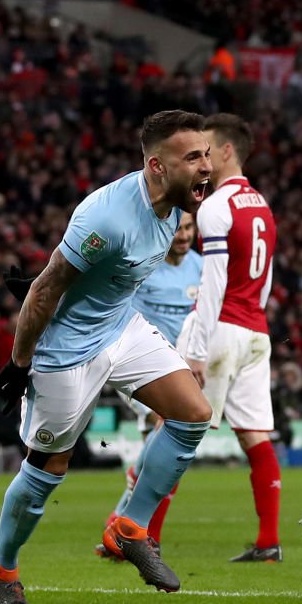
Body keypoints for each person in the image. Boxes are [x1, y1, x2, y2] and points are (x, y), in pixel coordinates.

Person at [0, 110, 214, 604]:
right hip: (65, 349)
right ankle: (1, 569)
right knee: (48, 470)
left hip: (120, 327)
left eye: (208, 155)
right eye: (192, 157)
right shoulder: (106, 217)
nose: (205, 167)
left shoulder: (178, 206)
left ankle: (129, 527)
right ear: (156, 165)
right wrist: (20, 366)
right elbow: (43, 289)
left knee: (193, 413)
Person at [176, 112, 282, 563]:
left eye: (205, 151)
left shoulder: (217, 206)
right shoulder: (260, 204)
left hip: (220, 329)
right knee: (255, 438)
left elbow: (212, 280)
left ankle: (140, 535)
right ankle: (268, 542)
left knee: (173, 426)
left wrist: (198, 349)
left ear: (226, 151)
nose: (201, 162)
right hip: (256, 330)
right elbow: (268, 275)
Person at [95, 212, 203, 558]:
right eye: (179, 229)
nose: (184, 236)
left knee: (165, 456)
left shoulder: (202, 268)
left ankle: (123, 522)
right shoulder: (148, 264)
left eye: (189, 228)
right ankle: (134, 531)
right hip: (143, 367)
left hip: (182, 372)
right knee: (168, 431)